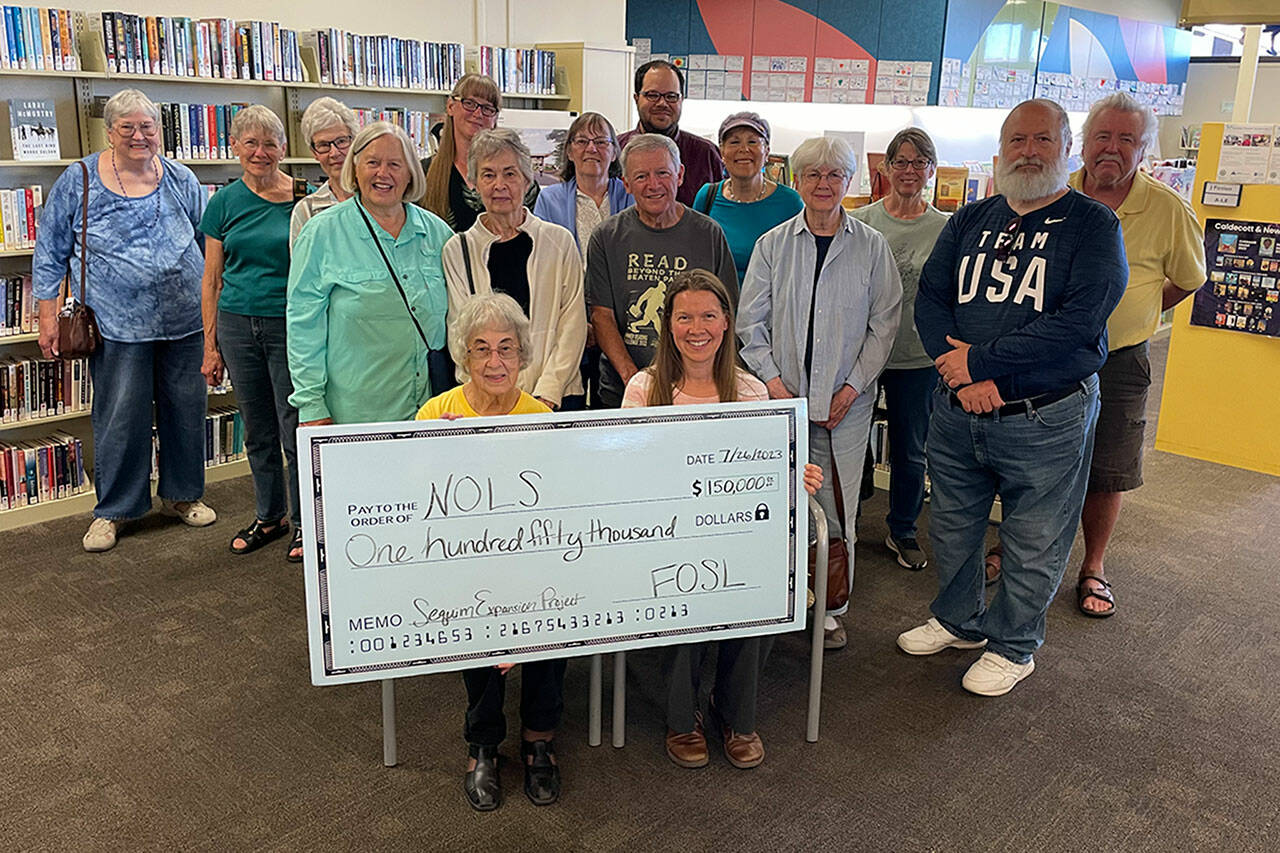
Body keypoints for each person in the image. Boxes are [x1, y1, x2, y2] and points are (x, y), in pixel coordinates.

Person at [898, 99, 1127, 696]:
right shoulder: (970, 219)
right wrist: (961, 378)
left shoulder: (1093, 225)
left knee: (1033, 538)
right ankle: (959, 621)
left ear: (1066, 146)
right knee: (951, 527)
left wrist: (982, 364)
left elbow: (1079, 322)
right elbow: (930, 300)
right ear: (1000, 151)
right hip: (957, 412)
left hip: (1043, 416)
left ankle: (1015, 645)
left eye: (1042, 139)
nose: (1028, 150)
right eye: (1017, 139)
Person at [622, 268, 822, 770]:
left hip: (738, 537)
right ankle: (681, 716)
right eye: (685, 316)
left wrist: (795, 476)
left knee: (763, 586)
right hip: (664, 538)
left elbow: (768, 476)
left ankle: (734, 712)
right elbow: (625, 477)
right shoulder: (644, 390)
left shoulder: (753, 392)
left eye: (709, 316)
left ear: (727, 323)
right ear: (668, 325)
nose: (697, 328)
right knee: (682, 591)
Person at [737, 135, 902, 651]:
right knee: (779, 500)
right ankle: (773, 595)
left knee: (838, 506)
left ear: (848, 183)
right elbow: (750, 323)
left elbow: (885, 324)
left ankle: (830, 606)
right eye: (814, 175)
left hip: (845, 407)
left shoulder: (872, 246)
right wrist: (773, 382)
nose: (824, 184)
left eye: (835, 176)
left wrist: (852, 389)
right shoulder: (773, 245)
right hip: (783, 401)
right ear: (798, 181)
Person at [32, 88, 215, 552]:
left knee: (187, 413)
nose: (139, 136)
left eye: (147, 127)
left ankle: (183, 495)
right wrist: (47, 314)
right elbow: (50, 250)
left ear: (159, 130)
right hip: (115, 324)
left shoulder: (180, 177)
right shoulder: (79, 179)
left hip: (185, 320)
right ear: (110, 132)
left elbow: (207, 242)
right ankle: (114, 510)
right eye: (127, 128)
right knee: (120, 418)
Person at [414, 293, 562, 811]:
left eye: (506, 349)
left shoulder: (542, 419)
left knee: (557, 613)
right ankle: (483, 745)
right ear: (465, 357)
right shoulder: (435, 413)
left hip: (532, 564)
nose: (494, 362)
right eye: (481, 350)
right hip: (465, 567)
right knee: (473, 623)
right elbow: (417, 505)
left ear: (522, 357)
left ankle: (539, 738)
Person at [1067, 92, 1206, 617]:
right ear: (1083, 144)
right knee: (1034, 461)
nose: (1112, 148)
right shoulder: (1053, 196)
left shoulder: (1168, 209)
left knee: (1109, 468)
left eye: (1126, 139)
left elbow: (1190, 280)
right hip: (1049, 357)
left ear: (1144, 149)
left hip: (1120, 361)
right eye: (1103, 136)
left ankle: (1093, 566)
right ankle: (1013, 547)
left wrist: (1144, 308)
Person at [288, 122, 451, 430]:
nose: (383, 173)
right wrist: (311, 404)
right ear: (355, 169)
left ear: (410, 173)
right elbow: (302, 325)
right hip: (354, 415)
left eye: (394, 164)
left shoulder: (438, 234)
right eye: (373, 162)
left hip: (431, 410)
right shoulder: (322, 233)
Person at [199, 105, 301, 561]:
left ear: (284, 148)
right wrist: (210, 344)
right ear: (235, 147)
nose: (260, 152)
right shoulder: (223, 202)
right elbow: (212, 279)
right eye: (250, 143)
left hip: (289, 324)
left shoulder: (303, 197)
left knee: (295, 427)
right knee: (257, 429)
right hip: (238, 324)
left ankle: (306, 522)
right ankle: (270, 514)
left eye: (270, 143)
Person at [851, 128, 949, 573]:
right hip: (861, 351)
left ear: (931, 170)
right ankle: (849, 516)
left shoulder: (946, 228)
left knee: (912, 447)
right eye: (901, 162)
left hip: (917, 356)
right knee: (852, 439)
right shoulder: (863, 221)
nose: (909, 170)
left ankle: (903, 528)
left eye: (919, 162)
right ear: (885, 169)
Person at [586, 134, 736, 409]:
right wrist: (635, 381)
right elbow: (601, 315)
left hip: (696, 393)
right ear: (626, 184)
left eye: (662, 173)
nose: (653, 185)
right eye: (641, 176)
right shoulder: (606, 237)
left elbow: (727, 313)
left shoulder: (708, 234)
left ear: (679, 175)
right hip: (622, 390)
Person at [441, 129, 585, 410]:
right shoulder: (457, 250)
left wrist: (548, 391)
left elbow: (573, 324)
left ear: (527, 179)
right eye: (488, 174)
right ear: (473, 183)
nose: (499, 185)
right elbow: (461, 334)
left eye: (510, 174)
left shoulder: (559, 241)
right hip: (488, 402)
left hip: (558, 396)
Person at [691, 112, 803, 283]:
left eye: (752, 142)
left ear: (767, 152)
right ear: (722, 152)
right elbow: (696, 260)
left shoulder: (790, 203)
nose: (744, 149)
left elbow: (799, 266)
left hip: (772, 308)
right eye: (734, 142)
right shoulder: (707, 197)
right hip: (718, 307)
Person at [419, 74, 538, 233]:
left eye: (487, 108)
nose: (478, 113)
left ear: (495, 117)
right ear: (450, 106)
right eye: (469, 103)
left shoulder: (518, 177)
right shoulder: (423, 173)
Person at [618, 59, 723, 207]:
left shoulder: (706, 155)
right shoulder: (615, 151)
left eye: (671, 96)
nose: (662, 103)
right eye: (653, 95)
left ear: (681, 100)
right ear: (636, 99)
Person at [532, 111, 633, 257]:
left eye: (600, 142)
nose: (591, 149)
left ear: (614, 153)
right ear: (569, 152)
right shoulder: (549, 200)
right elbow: (542, 256)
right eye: (582, 141)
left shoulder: (631, 195)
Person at [289, 97, 359, 247]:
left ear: (354, 142)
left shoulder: (377, 198)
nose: (334, 153)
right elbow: (301, 268)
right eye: (323, 145)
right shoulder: (306, 211)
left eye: (341, 141)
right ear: (314, 153)